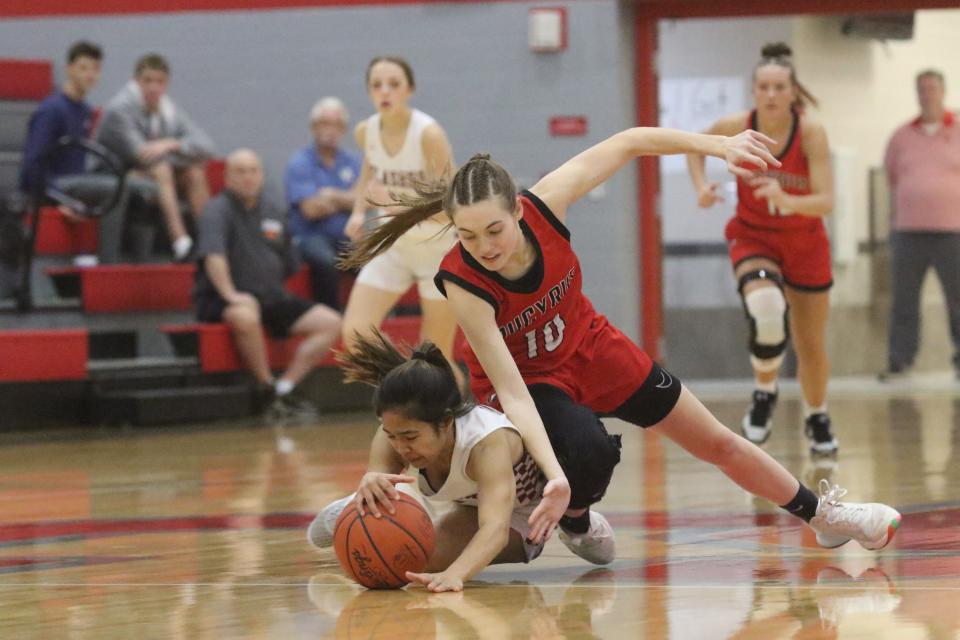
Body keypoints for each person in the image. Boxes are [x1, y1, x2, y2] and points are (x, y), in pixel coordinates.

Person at [340, 125, 901, 567]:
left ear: (517, 210)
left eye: (494, 230)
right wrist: (554, 476)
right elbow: (511, 391)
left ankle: (823, 515)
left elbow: (630, 142)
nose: (483, 246)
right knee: (586, 452)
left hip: (594, 347)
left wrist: (717, 145)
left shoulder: (548, 203)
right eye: (466, 235)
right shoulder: (463, 282)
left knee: (715, 440)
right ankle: (577, 515)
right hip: (531, 386)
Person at [307, 330, 551, 593]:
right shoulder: (394, 433)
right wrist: (371, 483)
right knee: (403, 556)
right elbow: (381, 475)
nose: (401, 446)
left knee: (416, 560)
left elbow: (495, 529)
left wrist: (455, 574)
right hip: (471, 506)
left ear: (446, 422)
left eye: (410, 436)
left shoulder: (485, 443)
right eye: (391, 435)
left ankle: (582, 524)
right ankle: (350, 508)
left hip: (527, 512)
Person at [686, 42, 838, 455]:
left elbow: (826, 201)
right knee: (768, 310)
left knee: (810, 342)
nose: (771, 94)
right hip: (754, 237)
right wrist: (701, 187)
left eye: (779, 87)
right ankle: (764, 393)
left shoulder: (810, 132)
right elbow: (693, 145)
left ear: (792, 92)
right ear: (754, 91)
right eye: (764, 87)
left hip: (805, 241)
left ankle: (817, 416)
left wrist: (786, 199)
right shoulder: (738, 124)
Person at [193, 148, 341, 415]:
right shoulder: (217, 210)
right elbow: (214, 257)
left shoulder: (273, 208)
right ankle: (266, 389)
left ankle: (285, 387)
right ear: (227, 178)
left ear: (261, 175)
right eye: (240, 171)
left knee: (330, 322)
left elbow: (288, 261)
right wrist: (230, 294)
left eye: (253, 171)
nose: (248, 178)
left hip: (271, 296)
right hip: (223, 298)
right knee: (246, 315)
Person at [339, 56, 460, 378]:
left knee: (437, 357)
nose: (385, 91)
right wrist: (358, 210)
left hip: (437, 250)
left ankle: (456, 414)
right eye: (377, 85)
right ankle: (405, 388)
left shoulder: (428, 134)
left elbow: (453, 206)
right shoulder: (366, 131)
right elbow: (370, 166)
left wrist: (396, 201)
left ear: (410, 89)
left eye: (394, 84)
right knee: (356, 337)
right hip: (393, 244)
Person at [17, 40, 138, 264]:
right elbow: (32, 166)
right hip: (55, 187)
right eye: (84, 68)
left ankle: (141, 261)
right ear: (69, 69)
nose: (90, 75)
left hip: (75, 183)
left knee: (142, 187)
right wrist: (58, 200)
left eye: (95, 69)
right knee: (117, 188)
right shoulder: (51, 110)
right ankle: (108, 265)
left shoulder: (85, 110)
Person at [880, 69, 960, 381]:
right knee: (904, 300)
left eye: (932, 88)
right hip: (908, 232)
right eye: (921, 88)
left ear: (943, 91)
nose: (927, 94)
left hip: (953, 232)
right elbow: (891, 178)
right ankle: (900, 360)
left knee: (957, 298)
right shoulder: (901, 137)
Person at [97, 53, 215, 261]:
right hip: (113, 174)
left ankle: (211, 244)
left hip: (149, 174)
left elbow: (207, 148)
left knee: (194, 172)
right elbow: (142, 154)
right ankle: (180, 241)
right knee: (162, 168)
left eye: (159, 82)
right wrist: (179, 153)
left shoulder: (169, 109)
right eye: (147, 81)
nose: (153, 87)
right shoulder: (120, 109)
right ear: (135, 81)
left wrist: (172, 144)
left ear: (167, 83)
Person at [284, 97, 360, 310]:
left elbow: (367, 199)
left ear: (344, 129)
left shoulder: (353, 161)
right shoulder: (300, 163)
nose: (331, 130)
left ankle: (373, 323)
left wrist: (331, 195)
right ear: (313, 127)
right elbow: (310, 210)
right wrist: (347, 200)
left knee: (374, 259)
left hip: (346, 234)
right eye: (325, 124)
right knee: (326, 262)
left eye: (337, 125)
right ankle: (332, 317)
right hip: (310, 236)